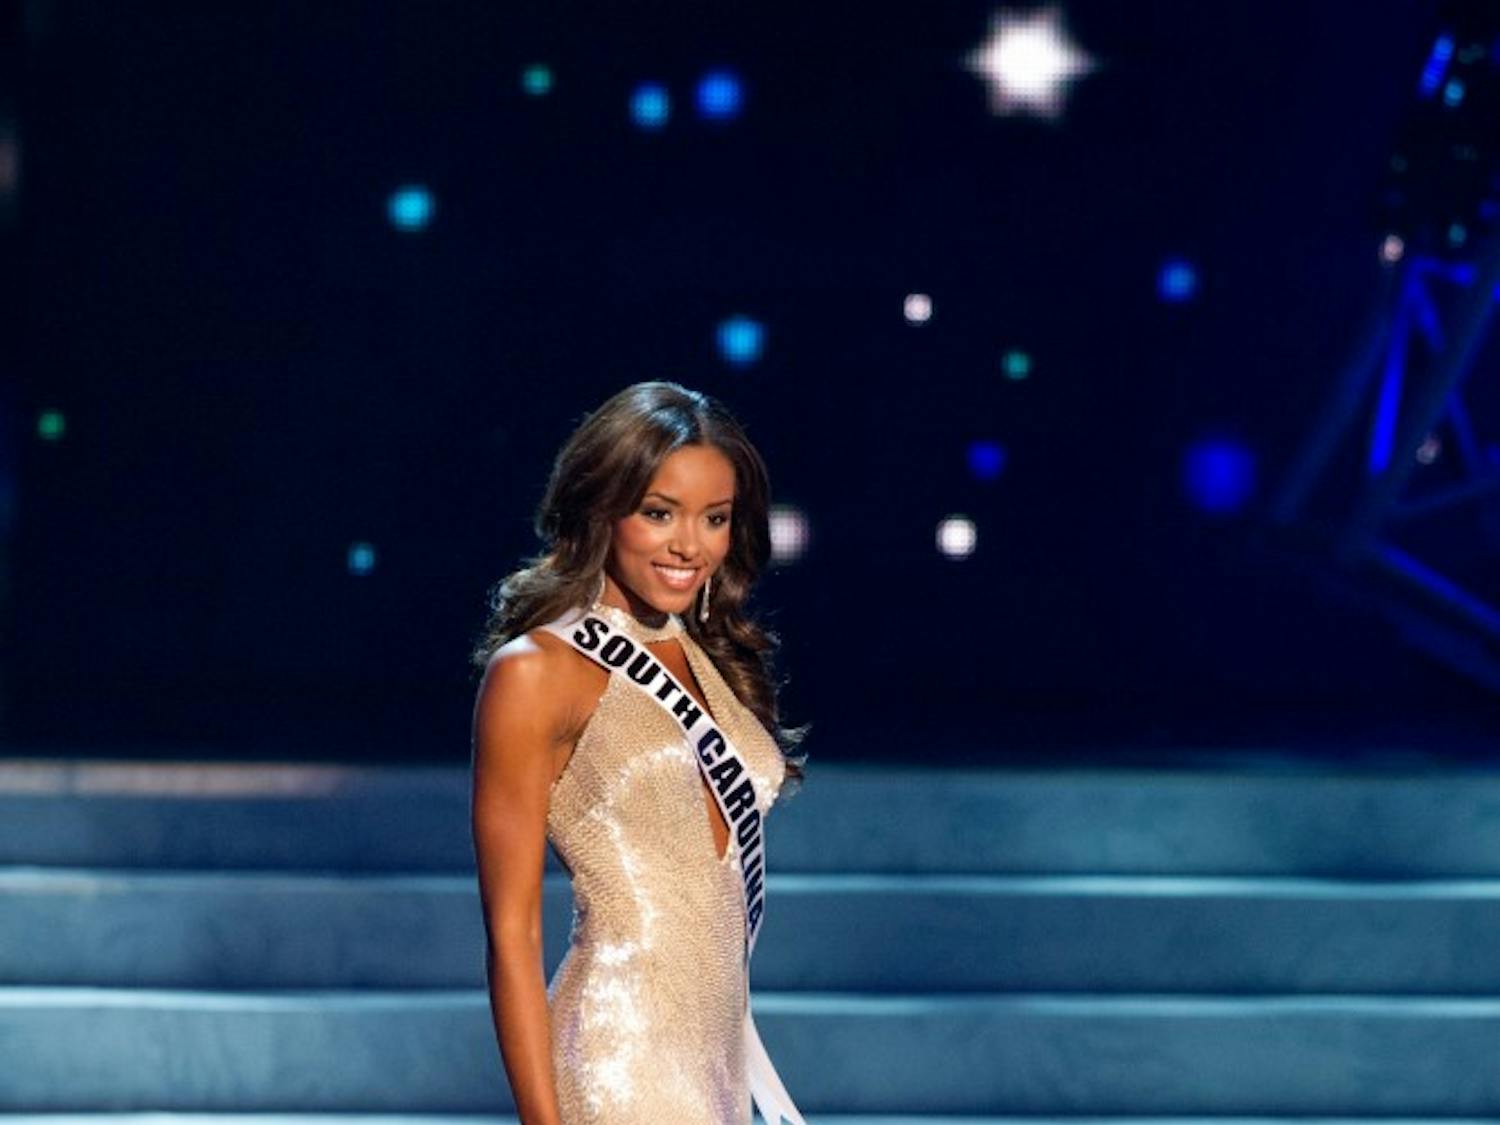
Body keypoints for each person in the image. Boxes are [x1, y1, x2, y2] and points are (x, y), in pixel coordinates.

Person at [469, 380, 809, 1125]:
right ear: (603, 507)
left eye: (714, 518)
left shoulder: (703, 655)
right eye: (660, 513)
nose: (690, 544)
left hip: (714, 1063)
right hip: (617, 1057)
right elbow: (512, 933)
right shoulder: (536, 671)